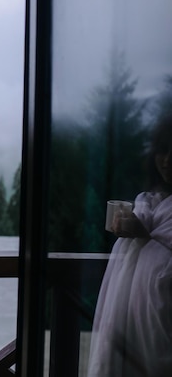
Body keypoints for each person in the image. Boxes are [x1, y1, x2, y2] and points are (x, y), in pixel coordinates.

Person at [88, 113, 172, 377]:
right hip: (127, 335)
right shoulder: (148, 202)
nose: (168, 161)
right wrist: (133, 230)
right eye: (163, 151)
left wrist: (144, 236)